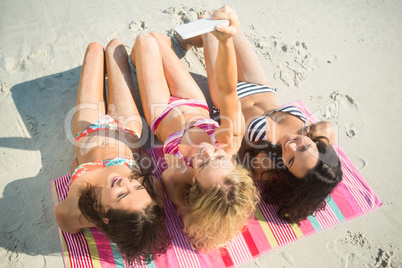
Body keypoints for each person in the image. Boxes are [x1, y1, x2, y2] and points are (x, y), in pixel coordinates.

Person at [178, 6, 343, 224]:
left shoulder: (266, 164)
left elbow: (229, 168)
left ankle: (196, 39)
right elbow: (323, 156)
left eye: (292, 159)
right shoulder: (323, 132)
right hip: (260, 87)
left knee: (211, 26)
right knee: (227, 24)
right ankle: (200, 37)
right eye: (304, 146)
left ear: (288, 174)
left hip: (227, 99)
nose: (291, 145)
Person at [130, 9, 259, 251]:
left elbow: (191, 221)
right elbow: (229, 91)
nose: (206, 150)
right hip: (191, 100)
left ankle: (154, 54)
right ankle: (176, 45)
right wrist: (226, 41)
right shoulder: (228, 140)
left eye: (202, 163)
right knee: (157, 38)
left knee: (144, 41)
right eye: (218, 157)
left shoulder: (178, 177)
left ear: (196, 186)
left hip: (161, 113)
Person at [54, 40, 169, 264]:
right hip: (126, 128)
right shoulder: (151, 196)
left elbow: (69, 226)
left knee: (94, 50)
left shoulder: (73, 211)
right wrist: (140, 161)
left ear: (105, 216)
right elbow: (147, 170)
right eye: (136, 185)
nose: (124, 183)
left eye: (122, 195)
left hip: (89, 130)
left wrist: (77, 171)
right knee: (116, 47)